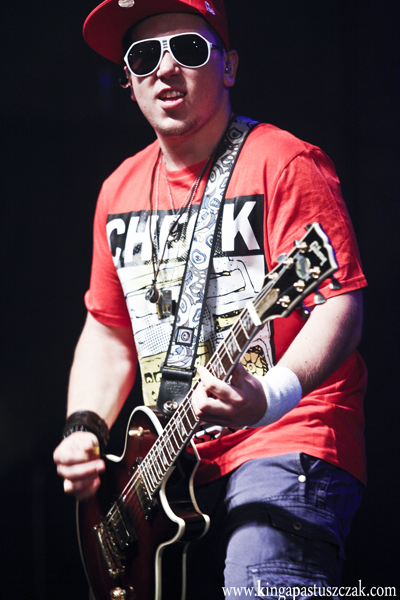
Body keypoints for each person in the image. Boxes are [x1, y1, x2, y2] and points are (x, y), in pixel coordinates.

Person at [53, 0, 367, 597]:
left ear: (228, 66)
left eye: (189, 48)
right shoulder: (118, 189)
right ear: (129, 82)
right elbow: (108, 330)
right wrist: (83, 428)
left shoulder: (284, 162)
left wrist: (270, 396)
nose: (165, 67)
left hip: (285, 437)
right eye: (144, 56)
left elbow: (340, 303)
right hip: (170, 471)